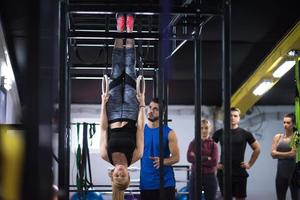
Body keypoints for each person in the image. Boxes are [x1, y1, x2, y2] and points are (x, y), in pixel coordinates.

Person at [100, 13, 145, 200]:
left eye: (117, 175)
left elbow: (103, 128)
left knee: (117, 68)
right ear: (129, 174)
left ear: (112, 175)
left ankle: (120, 30)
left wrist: (103, 105)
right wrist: (142, 104)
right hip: (130, 111)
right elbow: (140, 128)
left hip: (112, 110)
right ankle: (131, 30)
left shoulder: (105, 155)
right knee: (130, 68)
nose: (119, 171)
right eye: (123, 175)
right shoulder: (137, 155)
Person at [212, 107, 260, 200]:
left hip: (240, 172)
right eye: (230, 116)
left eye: (235, 116)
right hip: (224, 173)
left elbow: (257, 148)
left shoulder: (245, 134)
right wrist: (215, 164)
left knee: (240, 198)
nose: (232, 118)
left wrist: (250, 163)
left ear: (239, 118)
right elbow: (209, 149)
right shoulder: (219, 133)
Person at [139, 98, 180, 200]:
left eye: (156, 109)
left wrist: (164, 161)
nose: (151, 111)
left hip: (166, 183)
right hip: (146, 184)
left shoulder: (169, 133)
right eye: (150, 107)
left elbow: (176, 157)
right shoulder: (140, 131)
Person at [187, 119, 219, 200]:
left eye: (206, 128)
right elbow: (189, 158)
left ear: (210, 129)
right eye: (201, 128)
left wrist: (197, 158)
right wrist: (206, 158)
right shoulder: (193, 143)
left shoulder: (214, 145)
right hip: (195, 175)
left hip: (210, 176)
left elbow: (214, 162)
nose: (204, 130)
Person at [271, 113, 299, 200]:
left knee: (295, 198)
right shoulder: (277, 137)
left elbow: (292, 154)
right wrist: (286, 155)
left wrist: (278, 154)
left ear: (293, 124)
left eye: (288, 123)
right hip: (280, 174)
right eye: (284, 122)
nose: (285, 125)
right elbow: (272, 154)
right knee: (280, 198)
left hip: (294, 174)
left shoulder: (296, 136)